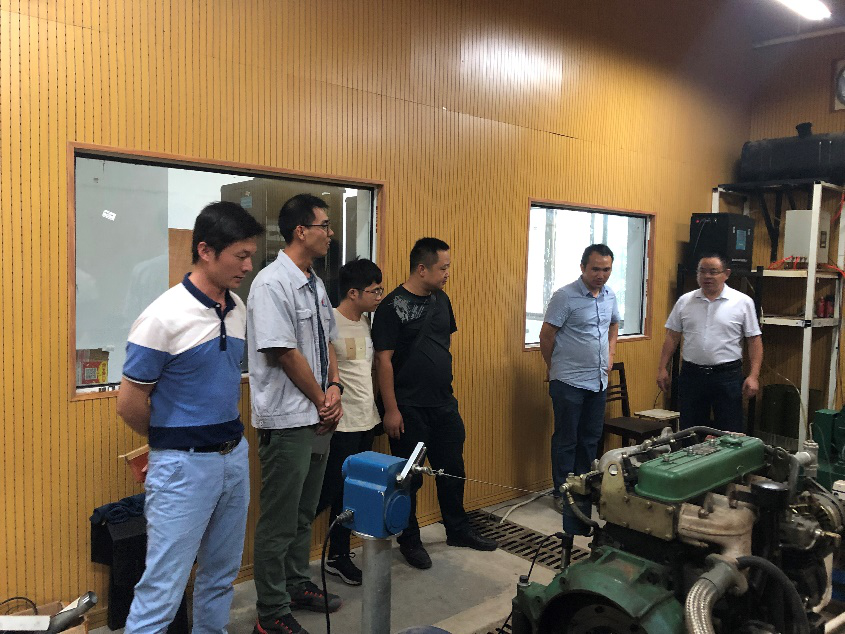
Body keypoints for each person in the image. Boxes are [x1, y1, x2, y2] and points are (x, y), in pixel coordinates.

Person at [116, 201, 263, 634]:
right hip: (183, 467)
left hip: (233, 458)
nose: (248, 266)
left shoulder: (236, 307)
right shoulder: (163, 316)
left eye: (250, 255)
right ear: (205, 251)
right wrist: (172, 443)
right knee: (163, 588)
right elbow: (129, 403)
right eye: (240, 256)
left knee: (220, 576)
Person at [248, 194, 344, 634]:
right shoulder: (271, 284)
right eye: (324, 225)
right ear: (301, 231)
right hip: (288, 420)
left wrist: (335, 387)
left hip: (318, 416)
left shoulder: (315, 283)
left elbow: (328, 343)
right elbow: (284, 352)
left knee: (305, 513)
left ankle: (295, 583)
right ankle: (270, 612)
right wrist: (323, 399)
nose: (330, 233)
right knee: (279, 520)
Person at [372, 237, 497, 571]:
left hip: (443, 403)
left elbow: (441, 345)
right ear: (422, 268)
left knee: (452, 470)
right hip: (408, 407)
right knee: (409, 478)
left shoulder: (442, 300)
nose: (447, 274)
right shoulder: (391, 306)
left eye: (448, 267)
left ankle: (457, 529)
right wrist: (391, 409)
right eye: (443, 268)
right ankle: (409, 540)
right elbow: (383, 361)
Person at [539, 244, 619, 531]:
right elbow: (546, 336)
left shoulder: (610, 295)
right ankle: (563, 491)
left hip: (598, 381)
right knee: (567, 439)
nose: (601, 275)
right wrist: (554, 367)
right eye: (595, 269)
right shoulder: (565, 296)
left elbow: (613, 326)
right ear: (583, 267)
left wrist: (610, 354)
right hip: (568, 381)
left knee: (590, 439)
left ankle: (583, 487)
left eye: (606, 269)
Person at [315, 258, 384, 586]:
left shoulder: (366, 322)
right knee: (332, 492)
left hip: (366, 420)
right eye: (374, 291)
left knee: (353, 493)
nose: (379, 296)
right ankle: (322, 556)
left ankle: (339, 554)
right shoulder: (330, 322)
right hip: (341, 424)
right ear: (353, 293)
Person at [657, 252, 762, 432]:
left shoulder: (742, 302)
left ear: (726, 274)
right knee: (690, 431)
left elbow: (754, 341)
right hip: (692, 375)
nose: (707, 276)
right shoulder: (685, 301)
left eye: (713, 272)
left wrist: (753, 376)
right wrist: (662, 368)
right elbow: (672, 336)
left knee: (729, 431)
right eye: (702, 271)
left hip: (727, 376)